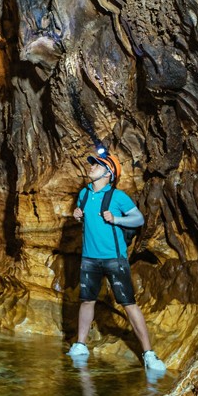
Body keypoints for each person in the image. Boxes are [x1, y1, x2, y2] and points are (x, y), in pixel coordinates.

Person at [69, 150, 166, 372]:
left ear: (109, 173)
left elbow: (139, 219)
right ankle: (80, 344)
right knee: (86, 300)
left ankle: (149, 354)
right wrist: (77, 214)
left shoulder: (117, 196)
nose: (91, 166)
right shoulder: (84, 194)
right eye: (92, 163)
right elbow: (84, 217)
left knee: (128, 303)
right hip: (89, 258)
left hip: (114, 258)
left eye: (97, 164)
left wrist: (117, 218)